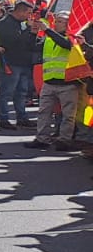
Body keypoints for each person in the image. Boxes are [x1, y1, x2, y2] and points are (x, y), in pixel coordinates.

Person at [32, 11, 76, 150]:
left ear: (68, 24)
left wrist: (47, 30)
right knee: (44, 112)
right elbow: (33, 48)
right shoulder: (49, 38)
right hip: (49, 82)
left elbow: (65, 44)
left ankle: (64, 141)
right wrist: (33, 33)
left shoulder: (73, 37)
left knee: (68, 115)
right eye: (56, 21)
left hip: (68, 83)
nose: (56, 23)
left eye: (60, 21)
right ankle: (42, 139)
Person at [0, 0, 39, 130]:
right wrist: (28, 30)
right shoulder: (4, 23)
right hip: (10, 63)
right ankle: (3, 118)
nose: (29, 16)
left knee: (21, 93)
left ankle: (22, 118)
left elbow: (28, 43)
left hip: (24, 63)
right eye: (28, 13)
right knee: (6, 92)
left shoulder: (23, 24)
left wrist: (33, 34)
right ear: (20, 11)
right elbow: (11, 42)